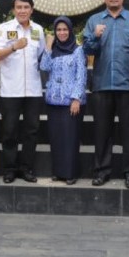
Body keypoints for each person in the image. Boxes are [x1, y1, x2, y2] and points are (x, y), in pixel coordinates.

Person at [82, 0, 129, 189]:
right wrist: (95, 37)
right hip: (102, 85)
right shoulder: (94, 21)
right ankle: (102, 171)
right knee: (102, 131)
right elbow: (87, 50)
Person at [0, 0, 44, 183]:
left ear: (32, 9)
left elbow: (41, 57)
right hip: (10, 90)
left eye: (26, 7)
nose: (22, 11)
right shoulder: (4, 29)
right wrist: (14, 47)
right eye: (19, 7)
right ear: (14, 10)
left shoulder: (38, 30)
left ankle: (27, 168)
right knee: (10, 131)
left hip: (33, 90)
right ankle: (10, 169)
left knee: (31, 132)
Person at [40, 16, 87, 185]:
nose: (62, 32)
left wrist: (76, 98)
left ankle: (70, 173)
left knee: (70, 138)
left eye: (65, 29)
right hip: (53, 100)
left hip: (70, 102)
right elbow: (44, 67)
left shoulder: (78, 50)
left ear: (70, 31)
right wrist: (48, 46)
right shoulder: (52, 50)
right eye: (58, 30)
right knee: (56, 138)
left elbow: (81, 76)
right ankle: (58, 172)